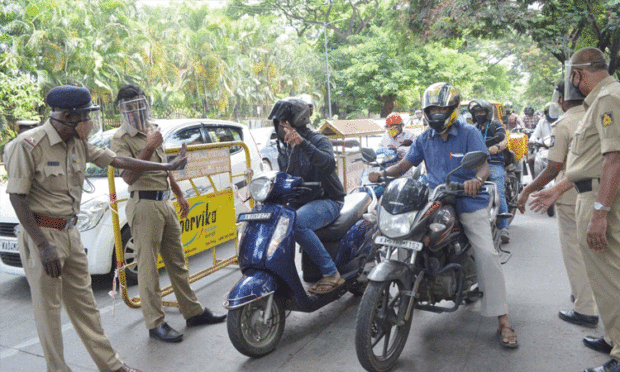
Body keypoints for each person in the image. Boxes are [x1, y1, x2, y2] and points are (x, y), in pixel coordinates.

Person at [3, 85, 190, 372]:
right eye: (85, 115)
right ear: (67, 116)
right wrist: (42, 245)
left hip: (71, 234)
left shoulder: (76, 143)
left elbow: (118, 161)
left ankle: (112, 366)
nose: (89, 121)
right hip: (43, 237)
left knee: (86, 307)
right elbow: (16, 196)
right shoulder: (28, 145)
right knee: (49, 313)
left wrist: (167, 168)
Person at [368, 82, 518, 349]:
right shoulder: (425, 138)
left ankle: (503, 319)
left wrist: (475, 179)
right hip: (435, 199)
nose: (436, 112)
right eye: (432, 108)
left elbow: (483, 166)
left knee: (486, 253)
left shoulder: (469, 132)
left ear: (451, 109)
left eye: (441, 107)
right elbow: (405, 165)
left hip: (468, 200)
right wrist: (383, 174)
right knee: (403, 236)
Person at [110, 84, 226, 343]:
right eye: (129, 107)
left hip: (164, 203)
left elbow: (164, 167)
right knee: (149, 268)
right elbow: (128, 176)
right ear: (122, 111)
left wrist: (179, 192)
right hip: (144, 205)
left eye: (138, 104)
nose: (135, 112)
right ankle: (155, 323)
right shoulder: (121, 139)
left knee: (178, 262)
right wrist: (149, 146)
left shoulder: (153, 129)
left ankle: (193, 312)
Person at [539, 47, 620, 372]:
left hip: (602, 201)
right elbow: (585, 163)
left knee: (611, 280)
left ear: (577, 74)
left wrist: (600, 212)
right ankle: (613, 338)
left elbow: (613, 158)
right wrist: (557, 188)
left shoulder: (608, 99)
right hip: (589, 194)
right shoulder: (601, 100)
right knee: (603, 280)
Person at [517, 80, 599, 331]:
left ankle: (585, 308)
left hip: (572, 195)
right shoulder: (596, 115)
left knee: (575, 252)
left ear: (563, 99)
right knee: (597, 253)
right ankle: (592, 299)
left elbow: (553, 167)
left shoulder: (563, 124)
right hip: (602, 194)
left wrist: (528, 189)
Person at [269, 96, 346, 294]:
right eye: (278, 123)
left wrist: (303, 144)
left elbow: (328, 164)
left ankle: (331, 273)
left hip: (328, 199)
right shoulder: (284, 148)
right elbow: (285, 179)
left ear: (297, 121)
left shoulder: (319, 140)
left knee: (297, 222)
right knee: (271, 219)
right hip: (300, 201)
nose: (279, 127)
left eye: (283, 122)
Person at [469, 99, 511, 243]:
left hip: (494, 162)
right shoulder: (473, 129)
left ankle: (504, 226)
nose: (479, 115)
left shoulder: (495, 125)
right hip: (477, 164)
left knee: (497, 190)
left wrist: (497, 147)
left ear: (487, 113)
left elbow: (503, 140)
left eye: (481, 112)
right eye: (476, 112)